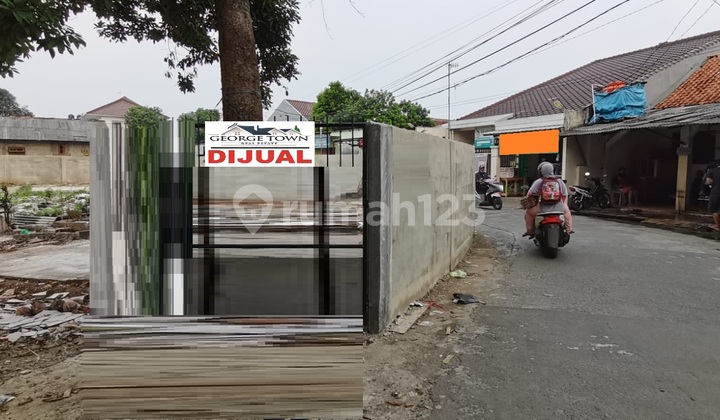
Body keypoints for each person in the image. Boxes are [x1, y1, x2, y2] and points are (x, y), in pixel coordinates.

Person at [523, 162, 573, 237]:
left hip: (542, 208)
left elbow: (530, 194)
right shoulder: (559, 181)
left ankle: (530, 231)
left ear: (541, 171)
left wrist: (528, 203)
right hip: (559, 208)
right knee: (567, 213)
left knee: (529, 213)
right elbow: (565, 195)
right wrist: (563, 205)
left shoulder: (539, 181)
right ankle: (569, 230)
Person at [705, 161, 720, 231]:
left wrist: (705, 182)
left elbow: (709, 181)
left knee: (714, 210)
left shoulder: (712, 171)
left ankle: (717, 225)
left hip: (716, 192)